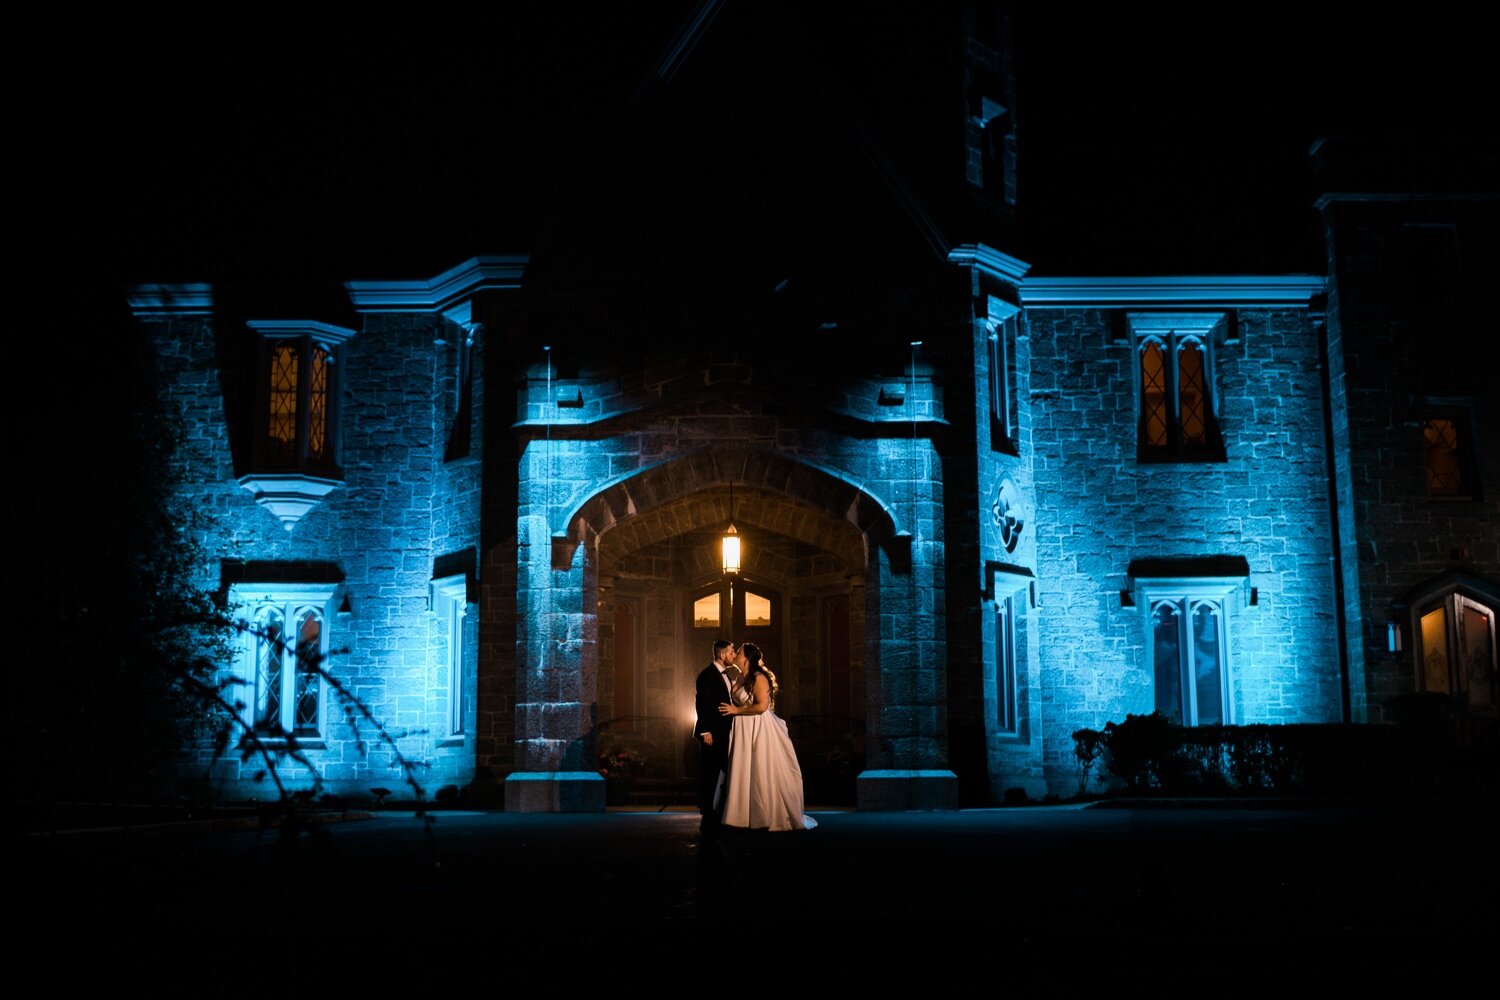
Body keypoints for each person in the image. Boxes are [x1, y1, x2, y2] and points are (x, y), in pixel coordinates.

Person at [717, 641, 818, 831]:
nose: (736, 654)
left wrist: (736, 709)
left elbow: (762, 706)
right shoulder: (739, 676)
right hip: (743, 727)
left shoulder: (758, 677)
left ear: (746, 658)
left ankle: (765, 813)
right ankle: (741, 814)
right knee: (744, 767)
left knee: (760, 766)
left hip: (758, 726)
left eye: (738, 652)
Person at [694, 638, 738, 829]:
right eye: (731, 652)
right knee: (710, 771)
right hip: (711, 732)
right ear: (722, 654)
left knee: (721, 770)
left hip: (723, 732)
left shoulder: (726, 675)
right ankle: (706, 810)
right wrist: (705, 731)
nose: (733, 655)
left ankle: (717, 808)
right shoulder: (707, 675)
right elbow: (702, 704)